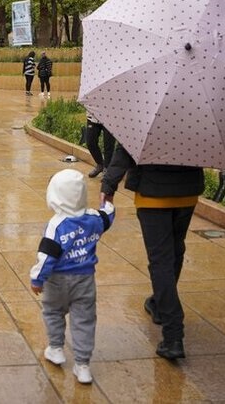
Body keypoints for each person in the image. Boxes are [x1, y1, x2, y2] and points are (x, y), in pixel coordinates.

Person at [101, 146, 204, 361]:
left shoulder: (147, 115)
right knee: (175, 251)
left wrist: (109, 186)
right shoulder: (198, 116)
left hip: (153, 193)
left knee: (161, 261)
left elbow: (126, 148)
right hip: (187, 192)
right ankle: (159, 303)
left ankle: (173, 335)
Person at [30, 169, 115, 385]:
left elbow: (47, 256)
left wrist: (37, 279)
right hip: (85, 280)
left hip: (56, 281)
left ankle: (56, 348)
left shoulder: (56, 225)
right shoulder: (94, 219)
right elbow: (108, 215)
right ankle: (83, 365)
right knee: (84, 320)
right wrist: (106, 203)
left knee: (52, 312)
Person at [85, 112, 116, 178]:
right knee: (90, 142)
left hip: (110, 117)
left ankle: (107, 169)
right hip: (92, 116)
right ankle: (100, 164)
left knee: (108, 145)